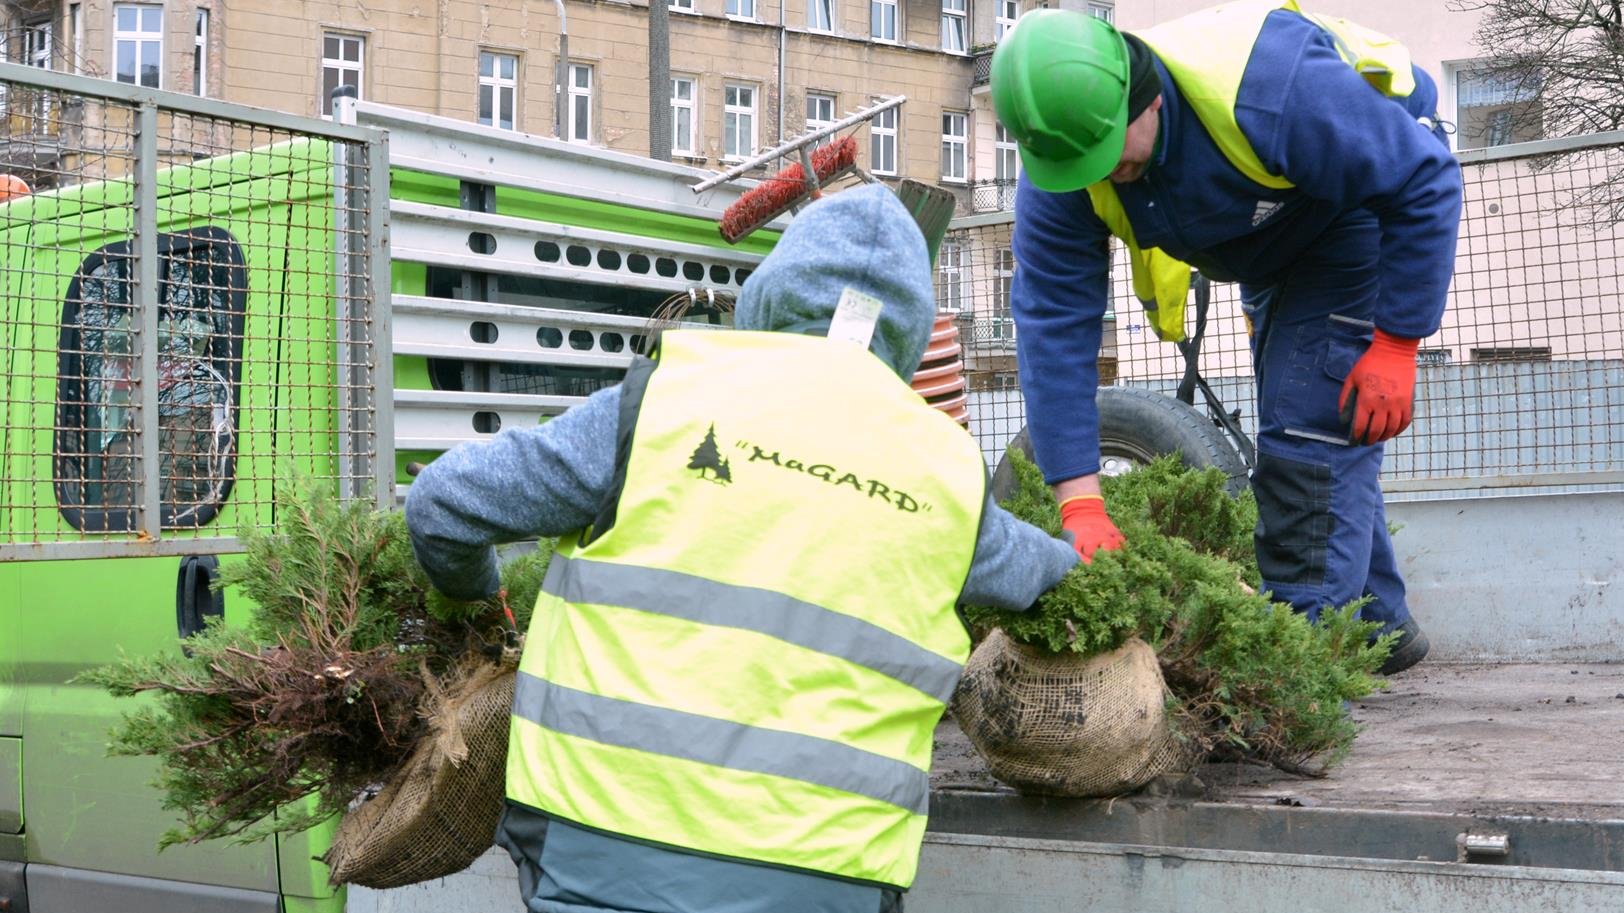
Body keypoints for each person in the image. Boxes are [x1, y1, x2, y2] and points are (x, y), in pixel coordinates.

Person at [405, 184, 1079, 913]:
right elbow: (1040, 570)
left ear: (771, 293)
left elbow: (444, 504)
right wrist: (1085, 549)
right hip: (824, 875)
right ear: (910, 338)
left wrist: (484, 605)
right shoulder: (947, 473)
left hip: (602, 845)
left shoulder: (664, 398)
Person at [990, 1, 1464, 675]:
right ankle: (1376, 630)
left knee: (1305, 429)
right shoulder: (1062, 162)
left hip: (1360, 207)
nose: (1102, 178)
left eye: (1113, 162)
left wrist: (1398, 342)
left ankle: (1299, 671)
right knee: (1324, 419)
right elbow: (1053, 326)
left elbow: (1423, 179)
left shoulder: (1273, 89)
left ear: (1144, 98)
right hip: (1270, 242)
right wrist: (1080, 498)